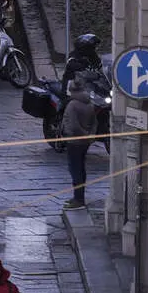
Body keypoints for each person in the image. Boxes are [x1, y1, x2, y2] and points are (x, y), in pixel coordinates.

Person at [62, 78, 99, 208]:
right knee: (81, 169)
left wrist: (83, 134)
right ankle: (79, 197)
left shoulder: (73, 105)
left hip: (75, 141)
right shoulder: (89, 103)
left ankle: (78, 199)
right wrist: (90, 136)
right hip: (85, 142)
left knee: (75, 169)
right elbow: (95, 122)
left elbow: (73, 125)